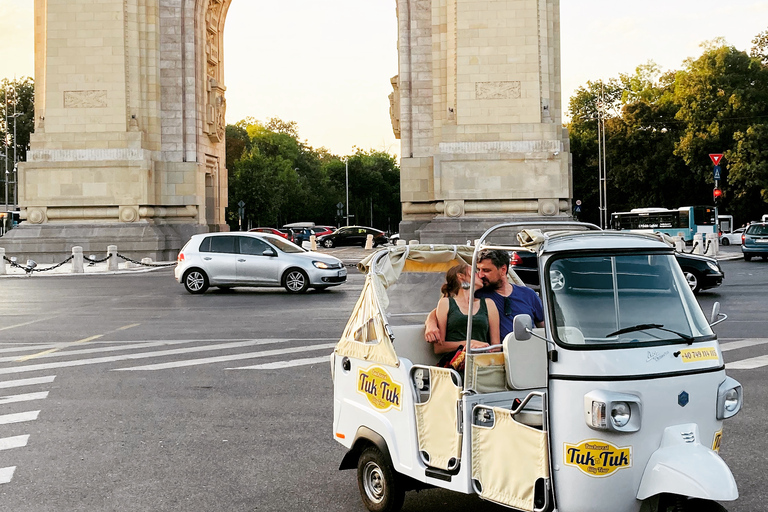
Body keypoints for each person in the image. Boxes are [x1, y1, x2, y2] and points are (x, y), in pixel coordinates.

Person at [426, 249, 544, 344]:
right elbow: (446, 307)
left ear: (503, 270)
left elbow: (544, 328)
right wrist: (431, 323)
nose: (480, 275)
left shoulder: (529, 295)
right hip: (495, 355)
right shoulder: (478, 293)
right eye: (478, 270)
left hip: (526, 353)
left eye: (486, 270)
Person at [433, 263, 500, 368]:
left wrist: (484, 348)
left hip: (481, 364)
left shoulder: (488, 304)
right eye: (474, 271)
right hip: (455, 364)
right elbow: (439, 347)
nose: (480, 275)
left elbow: (496, 346)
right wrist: (469, 343)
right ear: (461, 276)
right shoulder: (446, 303)